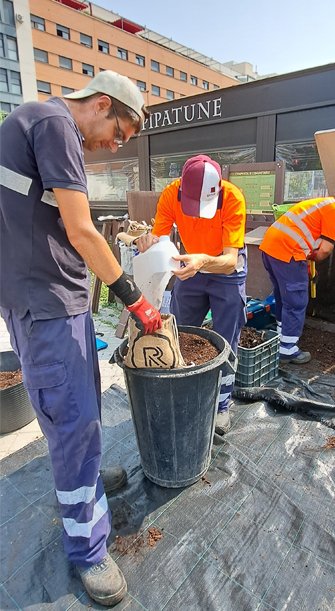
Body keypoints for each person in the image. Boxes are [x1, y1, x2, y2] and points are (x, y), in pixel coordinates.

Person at [0, 70, 161, 606]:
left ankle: (86, 474)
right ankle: (88, 548)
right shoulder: (54, 123)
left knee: (74, 406)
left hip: (42, 297)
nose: (113, 145)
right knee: (73, 418)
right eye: (120, 132)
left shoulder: (31, 123)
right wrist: (133, 297)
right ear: (100, 103)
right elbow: (81, 229)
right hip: (46, 304)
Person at [136, 155, 247, 436]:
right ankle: (183, 389)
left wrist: (202, 262)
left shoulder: (232, 198)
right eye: (192, 207)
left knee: (226, 337)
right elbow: (160, 238)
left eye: (203, 207)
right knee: (181, 329)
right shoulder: (171, 193)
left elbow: (231, 260)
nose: (197, 214)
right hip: (189, 264)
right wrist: (149, 244)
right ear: (182, 189)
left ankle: (222, 404)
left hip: (225, 271)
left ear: (218, 188)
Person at [259, 187, 335, 364]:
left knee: (281, 295)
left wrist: (305, 258)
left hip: (270, 249)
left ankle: (281, 337)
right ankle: (288, 350)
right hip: (289, 253)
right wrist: (312, 258)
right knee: (296, 301)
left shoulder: (319, 202)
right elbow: (325, 249)